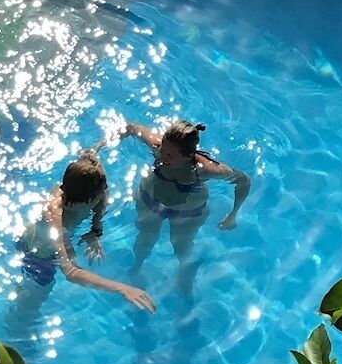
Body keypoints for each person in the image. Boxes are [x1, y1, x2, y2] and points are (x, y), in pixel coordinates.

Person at [18, 153, 156, 313]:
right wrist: (121, 288)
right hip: (38, 256)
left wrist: (96, 230)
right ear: (89, 200)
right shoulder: (56, 217)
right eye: (101, 193)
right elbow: (70, 272)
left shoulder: (82, 183)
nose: (105, 193)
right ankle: (17, 328)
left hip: (56, 237)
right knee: (32, 303)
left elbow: (103, 194)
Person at [122, 119, 250, 270]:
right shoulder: (157, 147)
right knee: (144, 239)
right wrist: (97, 147)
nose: (162, 157)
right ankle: (136, 266)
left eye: (170, 155)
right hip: (150, 202)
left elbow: (243, 181)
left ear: (188, 156)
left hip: (187, 213)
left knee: (182, 248)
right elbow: (131, 127)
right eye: (162, 150)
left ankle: (185, 276)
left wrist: (232, 214)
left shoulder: (205, 170)